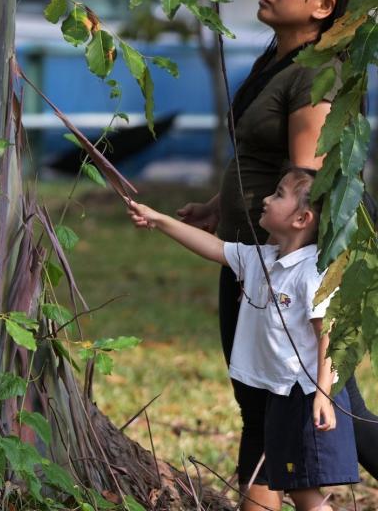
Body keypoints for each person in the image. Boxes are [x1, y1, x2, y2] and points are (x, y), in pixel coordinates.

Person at [177, 0, 378, 507]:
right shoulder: (282, 60)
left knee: (318, 411)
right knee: (266, 406)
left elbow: (305, 194)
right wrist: (221, 208)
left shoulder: (317, 79)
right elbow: (261, 159)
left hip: (280, 276)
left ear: (322, 6)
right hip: (253, 261)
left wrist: (278, 280)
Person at [128, 168, 359, 511]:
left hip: (302, 398)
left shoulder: (311, 274)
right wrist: (158, 220)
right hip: (276, 394)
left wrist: (324, 394)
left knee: (304, 494)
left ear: (301, 218)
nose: (266, 198)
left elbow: (329, 336)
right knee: (282, 485)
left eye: (278, 194)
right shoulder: (262, 259)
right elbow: (213, 247)